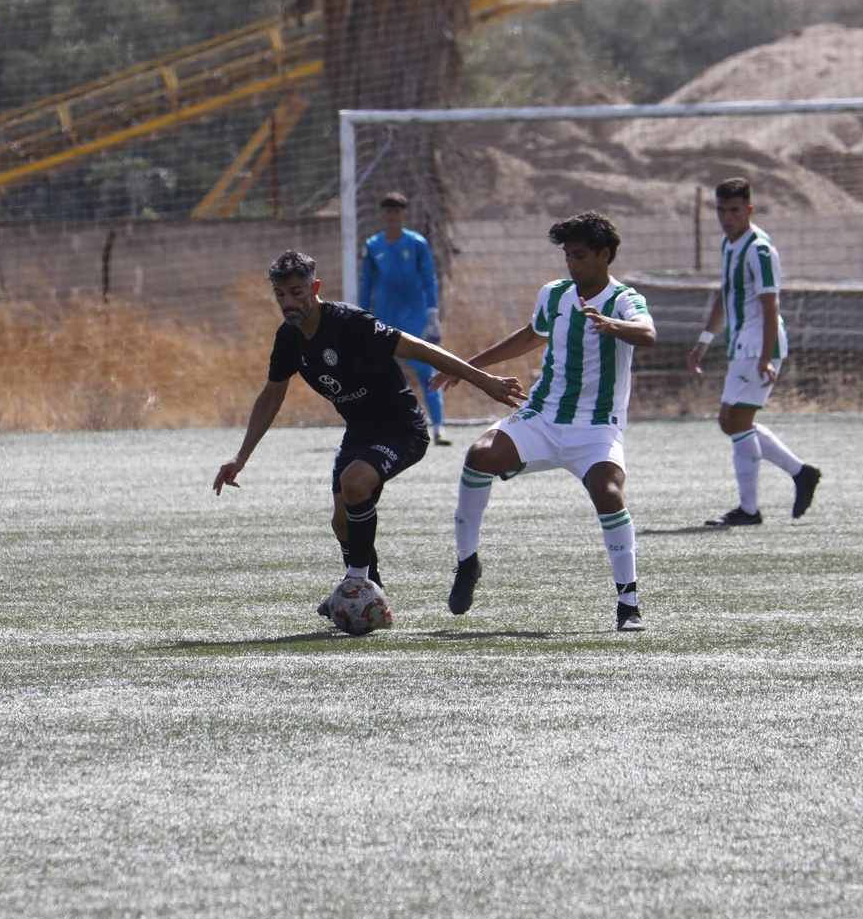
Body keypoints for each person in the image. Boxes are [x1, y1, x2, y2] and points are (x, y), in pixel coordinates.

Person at [214, 250, 526, 612]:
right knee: (341, 522)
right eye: (280, 295)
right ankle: (371, 594)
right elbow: (271, 395)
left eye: (296, 292)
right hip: (360, 431)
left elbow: (419, 348)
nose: (288, 303)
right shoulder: (288, 338)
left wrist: (483, 380)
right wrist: (242, 455)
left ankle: (356, 583)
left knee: (355, 482)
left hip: (401, 427)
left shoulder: (350, 322)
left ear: (314, 288)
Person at [433, 211, 657, 632]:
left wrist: (614, 325)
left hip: (596, 428)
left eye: (581, 255)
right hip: (543, 416)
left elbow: (647, 332)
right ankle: (467, 564)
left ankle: (628, 604)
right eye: (567, 255)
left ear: (604, 255)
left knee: (608, 494)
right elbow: (531, 334)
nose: (571, 264)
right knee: (478, 455)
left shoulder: (624, 299)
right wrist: (466, 367)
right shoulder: (554, 294)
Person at [686, 177, 822, 527]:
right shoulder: (729, 245)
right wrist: (704, 339)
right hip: (741, 346)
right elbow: (725, 294)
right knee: (729, 422)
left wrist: (765, 356)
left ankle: (749, 510)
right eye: (721, 210)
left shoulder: (759, 249)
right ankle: (800, 473)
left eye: (734, 210)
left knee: (738, 423)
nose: (727, 217)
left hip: (760, 345)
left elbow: (769, 303)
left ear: (748, 210)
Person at [358, 192, 451, 444]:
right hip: (385, 318)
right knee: (377, 374)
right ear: (382, 215)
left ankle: (439, 427)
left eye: (397, 211)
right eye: (388, 211)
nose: (393, 216)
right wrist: (361, 316)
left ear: (404, 214)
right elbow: (366, 284)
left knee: (426, 370)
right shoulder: (373, 246)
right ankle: (376, 427)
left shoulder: (417, 243)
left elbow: (429, 277)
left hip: (416, 317)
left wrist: (433, 313)